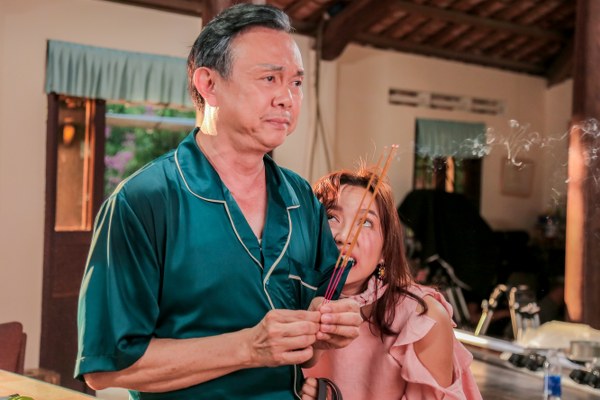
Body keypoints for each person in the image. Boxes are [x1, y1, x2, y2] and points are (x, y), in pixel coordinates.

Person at [74, 4, 361, 399]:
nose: (287, 98)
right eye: (269, 78)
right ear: (208, 84)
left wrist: (328, 331)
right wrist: (248, 347)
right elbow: (105, 369)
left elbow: (309, 352)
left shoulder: (302, 200)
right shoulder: (142, 202)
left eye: (296, 83)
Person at [301, 166, 482, 400]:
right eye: (331, 217)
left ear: (385, 250)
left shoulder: (423, 318)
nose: (344, 237)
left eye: (366, 222)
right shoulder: (281, 300)